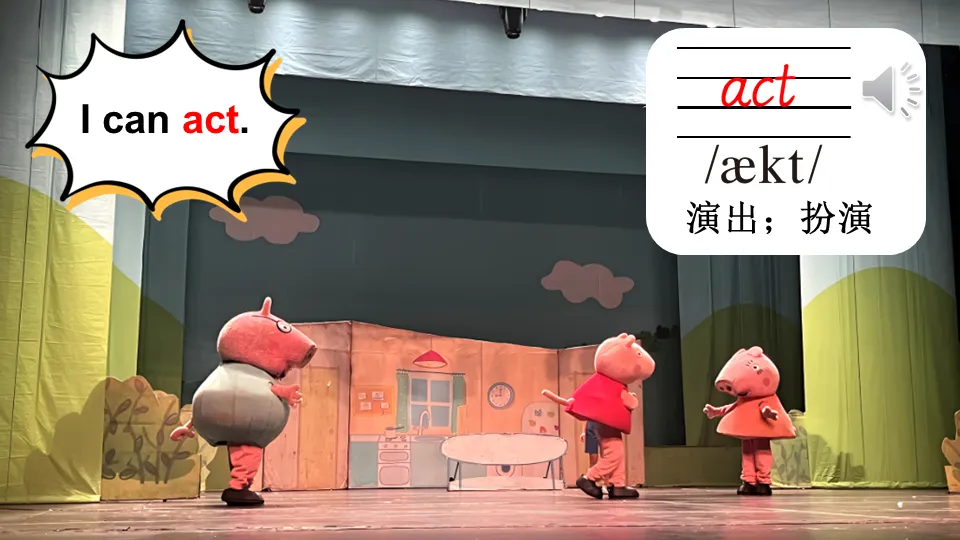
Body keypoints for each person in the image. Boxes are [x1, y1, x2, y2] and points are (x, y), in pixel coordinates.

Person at [581, 420, 604, 486]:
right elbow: (586, 417)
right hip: (591, 427)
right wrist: (583, 431)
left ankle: (604, 482)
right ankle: (591, 480)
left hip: (602, 425)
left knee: (605, 455)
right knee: (593, 457)